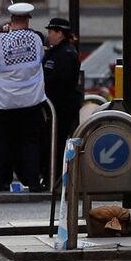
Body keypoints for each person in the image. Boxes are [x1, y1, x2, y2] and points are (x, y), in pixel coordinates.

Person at [0, 3, 49, 192]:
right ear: (27, 19)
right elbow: (41, 56)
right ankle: (33, 181)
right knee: (30, 143)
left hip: (4, 103)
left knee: (1, 143)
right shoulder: (36, 38)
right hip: (31, 101)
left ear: (11, 20)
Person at [43, 17, 84, 176]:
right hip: (54, 105)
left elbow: (62, 80)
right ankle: (50, 174)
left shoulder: (66, 53)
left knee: (58, 142)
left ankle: (55, 175)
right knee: (51, 141)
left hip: (62, 105)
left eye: (51, 32)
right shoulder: (55, 51)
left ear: (60, 33)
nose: (49, 35)